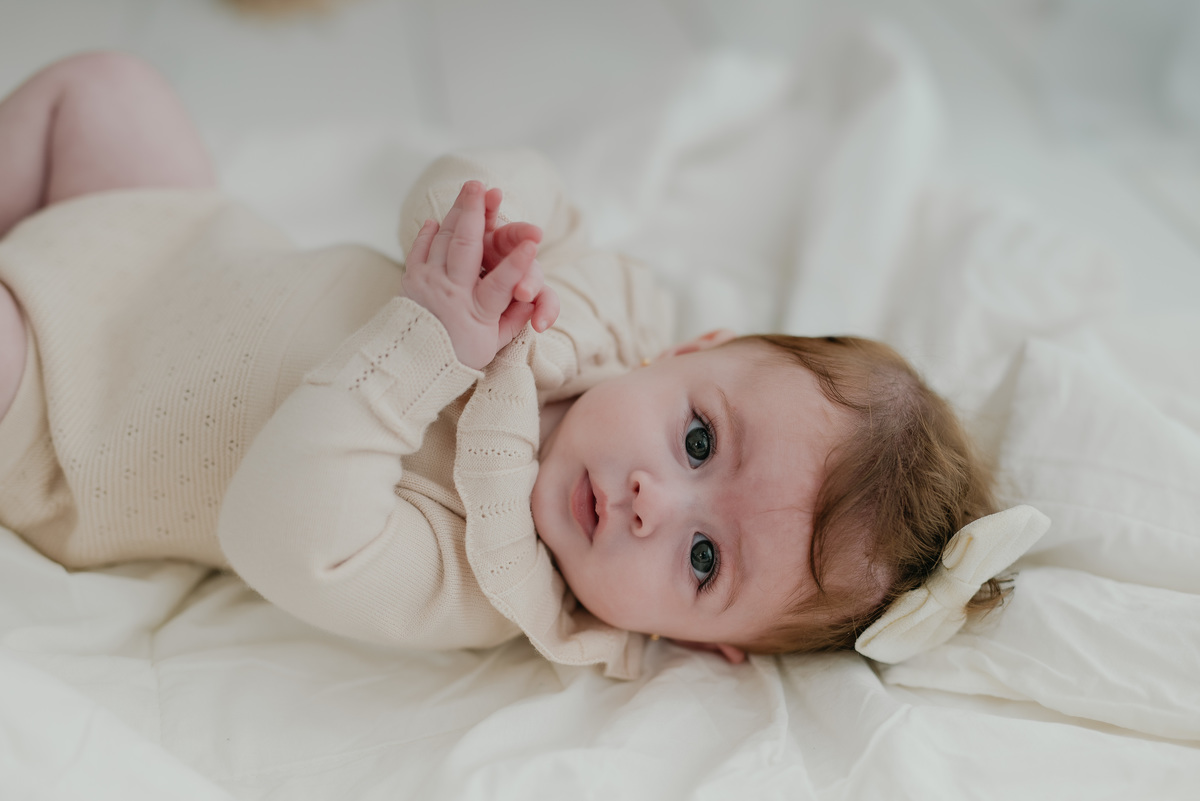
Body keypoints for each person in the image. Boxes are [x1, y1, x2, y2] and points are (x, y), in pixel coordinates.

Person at [0, 53, 1047, 680]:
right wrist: (492, 225)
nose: (652, 501)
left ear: (698, 646)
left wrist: (423, 349)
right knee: (105, 91)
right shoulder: (590, 305)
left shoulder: (482, 572)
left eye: (701, 562)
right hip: (169, 245)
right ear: (694, 352)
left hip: (70, 412)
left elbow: (277, 532)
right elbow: (465, 189)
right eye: (698, 442)